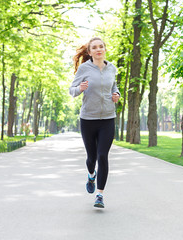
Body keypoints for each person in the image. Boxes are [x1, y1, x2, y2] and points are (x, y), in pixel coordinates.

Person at [69, 37, 120, 208]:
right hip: (88, 119)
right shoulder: (84, 68)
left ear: (105, 49)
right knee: (91, 158)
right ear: (90, 52)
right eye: (95, 48)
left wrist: (116, 95)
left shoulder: (112, 68)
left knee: (102, 156)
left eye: (101, 47)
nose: (99, 49)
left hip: (108, 118)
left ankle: (100, 195)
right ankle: (91, 175)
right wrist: (80, 89)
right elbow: (72, 90)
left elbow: (114, 87)